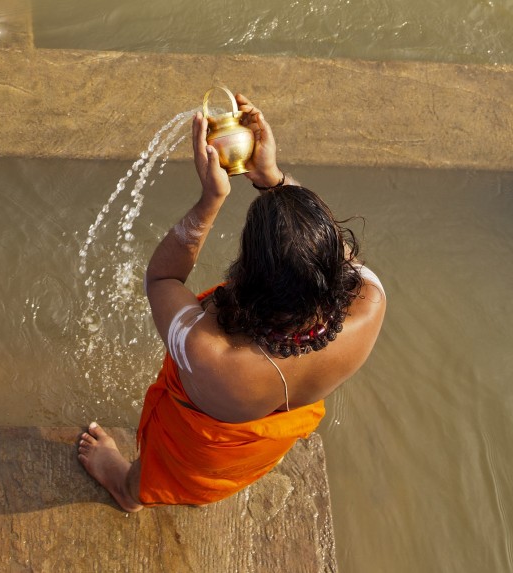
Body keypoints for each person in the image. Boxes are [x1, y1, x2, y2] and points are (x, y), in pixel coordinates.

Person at [77, 94, 386, 512]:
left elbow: (162, 278)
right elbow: (329, 251)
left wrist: (210, 200)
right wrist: (271, 177)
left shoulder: (213, 354)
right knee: (230, 469)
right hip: (260, 448)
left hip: (197, 451)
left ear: (248, 273)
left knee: (156, 474)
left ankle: (126, 490)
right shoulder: (369, 304)